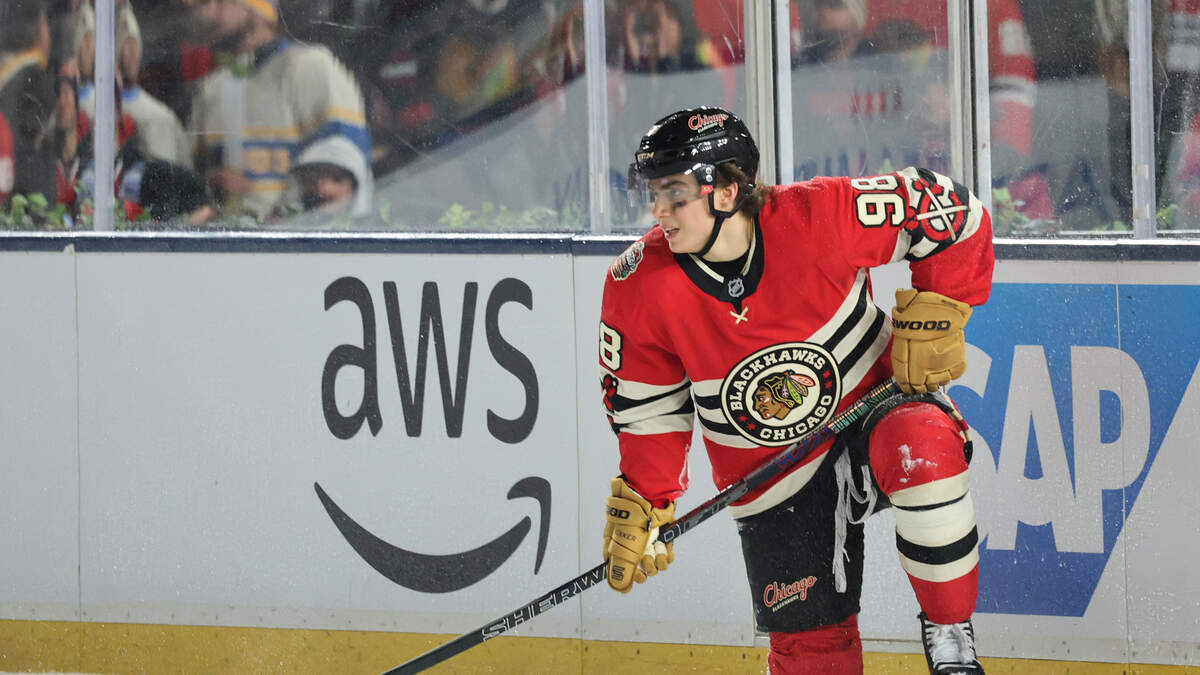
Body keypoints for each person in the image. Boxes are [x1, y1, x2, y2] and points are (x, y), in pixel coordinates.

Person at [598, 106, 993, 675]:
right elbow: (649, 408)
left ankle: (950, 630)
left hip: (875, 412)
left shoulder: (818, 215)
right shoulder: (637, 283)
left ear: (727, 190)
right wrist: (646, 500)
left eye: (675, 193)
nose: (658, 211)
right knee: (811, 656)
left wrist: (942, 304)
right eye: (655, 193)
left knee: (922, 450)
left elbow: (952, 211)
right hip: (771, 474)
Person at [187, 0, 372, 221]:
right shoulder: (211, 89)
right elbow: (194, 182)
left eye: (218, 2)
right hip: (230, 237)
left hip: (300, 237)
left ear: (257, 7)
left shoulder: (310, 66)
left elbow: (345, 179)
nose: (206, 14)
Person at [0, 0, 58, 211]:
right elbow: (31, 145)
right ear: (40, 29)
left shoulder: (9, 76)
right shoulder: (35, 80)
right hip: (27, 198)